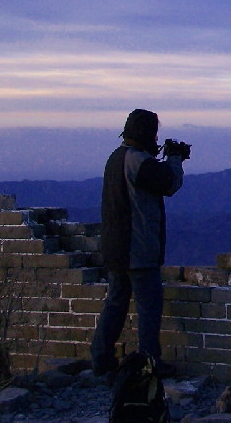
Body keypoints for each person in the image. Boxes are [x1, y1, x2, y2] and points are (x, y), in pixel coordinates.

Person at [90, 109, 187, 379]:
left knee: (116, 302)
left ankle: (101, 359)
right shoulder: (138, 161)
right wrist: (175, 159)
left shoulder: (116, 158)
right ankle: (149, 364)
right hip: (138, 250)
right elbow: (169, 184)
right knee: (149, 307)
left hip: (116, 248)